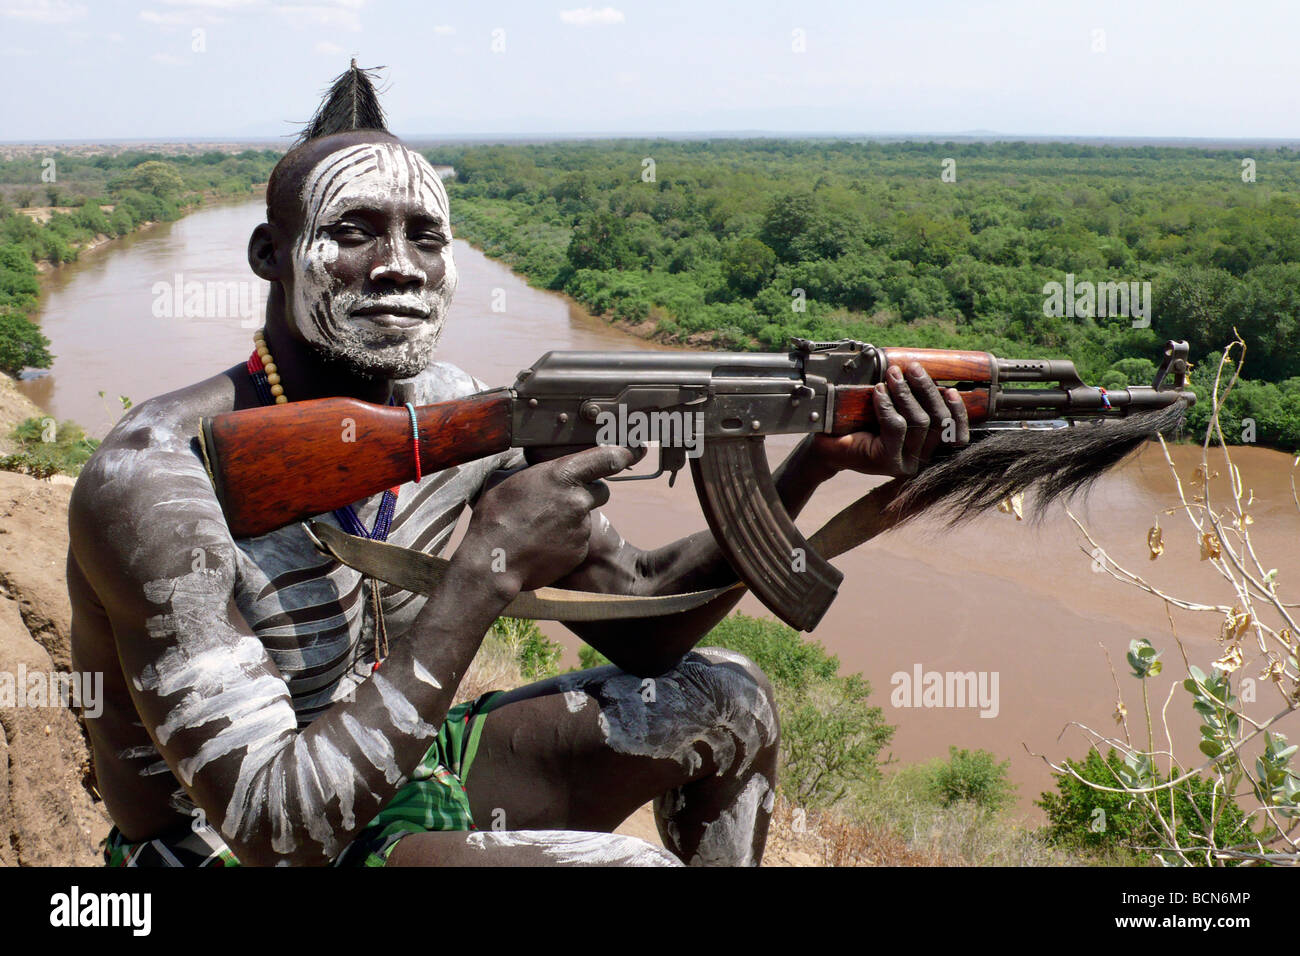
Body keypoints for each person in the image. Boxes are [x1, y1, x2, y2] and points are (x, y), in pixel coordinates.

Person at [68, 65, 968, 867]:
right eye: (354, 231)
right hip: (233, 841)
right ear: (271, 255)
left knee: (730, 697)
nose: (396, 267)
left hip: (407, 771)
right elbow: (273, 827)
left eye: (426, 237)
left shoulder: (454, 407)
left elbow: (646, 622)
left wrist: (811, 463)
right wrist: (490, 564)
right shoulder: (158, 480)